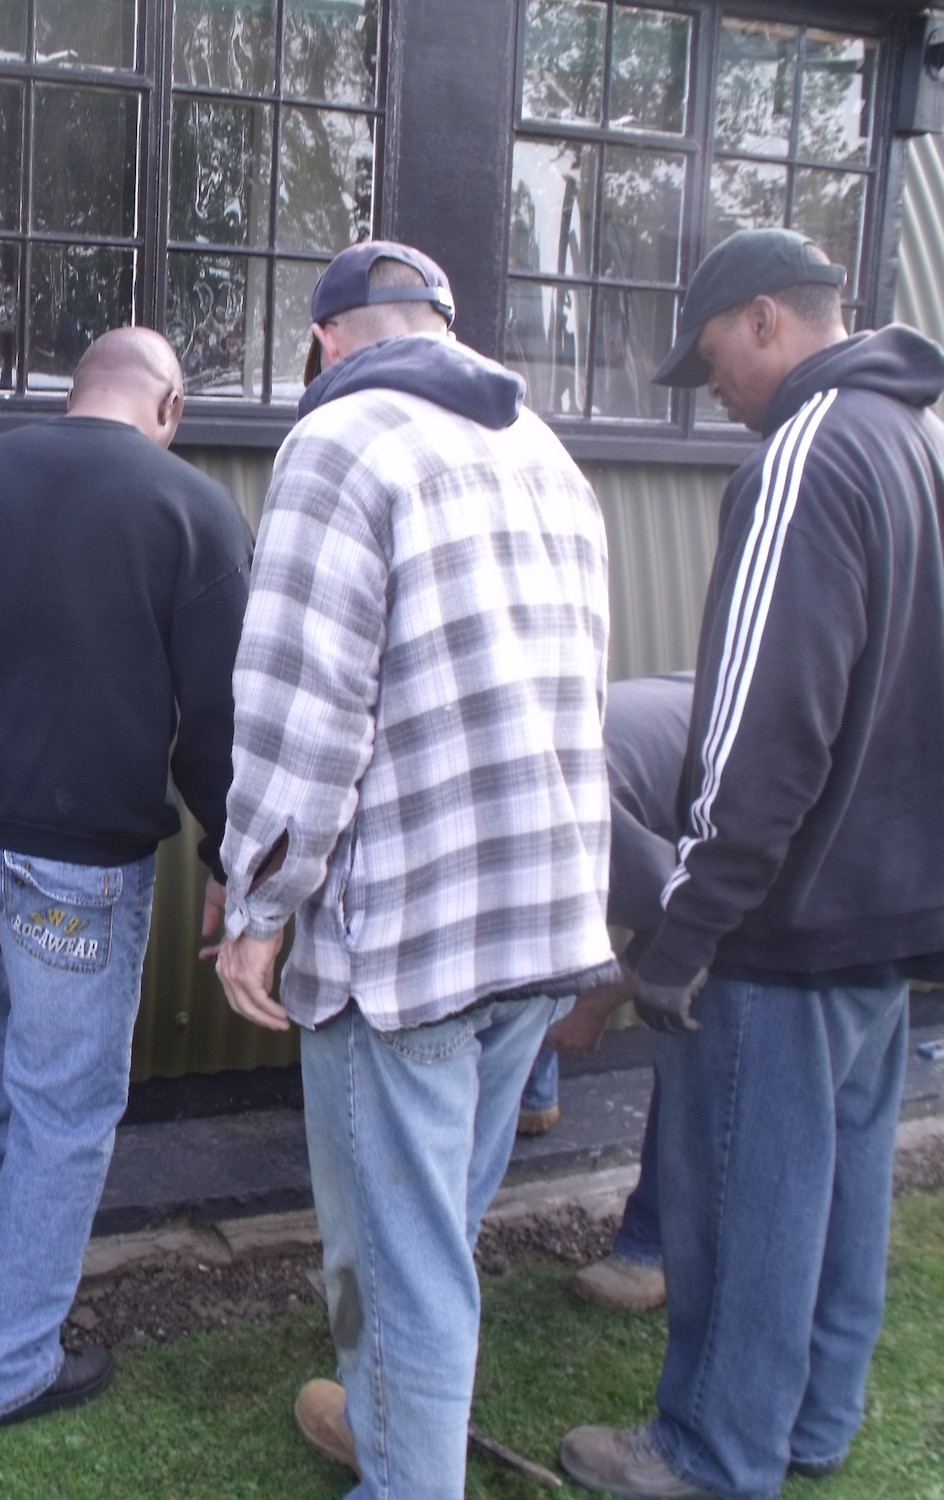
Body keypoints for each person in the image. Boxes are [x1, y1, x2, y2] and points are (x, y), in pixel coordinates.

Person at [210, 242, 617, 1498]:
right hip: (537, 923)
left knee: (401, 1259)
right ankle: (389, 1429)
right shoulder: (543, 452)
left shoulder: (338, 445)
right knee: (437, 1229)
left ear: (327, 342)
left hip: (405, 950)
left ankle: (404, 1476)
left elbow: (299, 703)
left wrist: (255, 907)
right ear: (444, 325)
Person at [559, 232, 944, 1497]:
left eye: (712, 353)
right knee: (836, 1190)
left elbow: (764, 720)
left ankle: (709, 1453)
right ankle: (812, 1423)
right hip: (884, 916)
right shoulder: (913, 449)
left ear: (768, 320)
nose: (711, 388)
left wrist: (688, 929)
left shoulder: (804, 452)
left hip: (777, 923)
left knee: (739, 1204)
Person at [0, 327, 252, 1429]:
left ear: (73, 393)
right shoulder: (191, 510)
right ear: (165, 407)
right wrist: (231, 859)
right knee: (67, 1106)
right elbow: (221, 724)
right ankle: (9, 1366)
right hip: (73, 864)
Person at [546, 671, 695, 1313]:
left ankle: (650, 1251)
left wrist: (597, 1004)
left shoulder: (580, 801)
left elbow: (684, 918)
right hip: (666, 770)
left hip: (764, 843)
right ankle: (534, 1090)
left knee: (700, 1040)